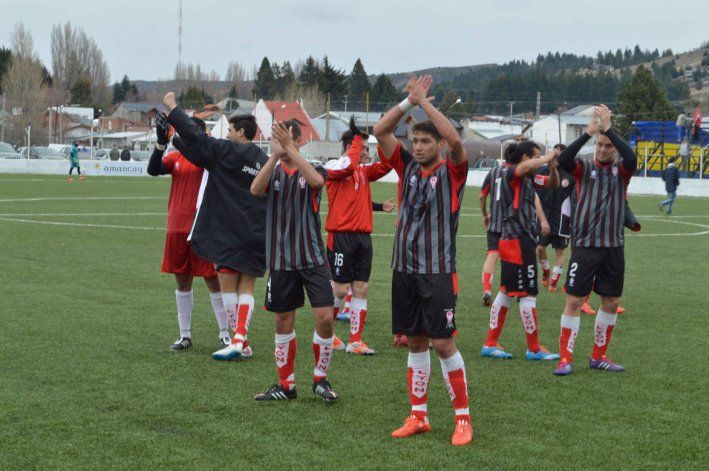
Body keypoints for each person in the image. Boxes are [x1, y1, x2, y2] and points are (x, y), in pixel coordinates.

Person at [374, 75, 472, 446]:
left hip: (437, 272)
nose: (416, 146)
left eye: (424, 140)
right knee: (415, 342)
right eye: (414, 140)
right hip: (404, 270)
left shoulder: (453, 171)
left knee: (443, 344)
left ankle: (462, 419)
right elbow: (381, 131)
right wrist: (407, 105)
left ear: (439, 145)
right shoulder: (406, 167)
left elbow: (458, 142)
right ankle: (419, 415)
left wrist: (426, 104)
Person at [161, 92, 269, 361]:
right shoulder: (264, 161)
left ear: (242, 132)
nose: (228, 134)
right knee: (246, 289)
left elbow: (198, 140)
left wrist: (174, 109)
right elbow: (198, 151)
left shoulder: (227, 151)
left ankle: (237, 339)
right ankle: (241, 339)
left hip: (230, 232)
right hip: (257, 234)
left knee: (229, 288)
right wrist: (173, 139)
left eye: (231, 130)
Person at [250, 120, 338, 403]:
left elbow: (317, 182)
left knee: (325, 319)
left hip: (312, 258)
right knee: (282, 321)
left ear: (299, 141)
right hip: (281, 259)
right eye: (277, 139)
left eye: (287, 139)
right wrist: (275, 154)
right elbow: (254, 189)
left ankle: (320, 378)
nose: (282, 144)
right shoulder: (272, 171)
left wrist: (289, 149)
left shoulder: (312, 168)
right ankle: (286, 385)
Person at [553, 105, 635, 376]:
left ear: (615, 149)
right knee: (574, 302)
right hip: (585, 247)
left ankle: (598, 356)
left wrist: (609, 127)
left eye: (608, 146)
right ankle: (565, 358)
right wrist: (589, 132)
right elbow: (564, 160)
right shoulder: (583, 168)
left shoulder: (622, 173)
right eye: (600, 145)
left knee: (610, 303)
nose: (602, 150)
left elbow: (632, 157)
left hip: (613, 249)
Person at [147, 116, 230, 350]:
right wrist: (160, 143)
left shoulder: (209, 159)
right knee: (182, 281)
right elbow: (153, 169)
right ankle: (185, 335)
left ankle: (225, 333)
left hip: (203, 229)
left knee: (213, 279)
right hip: (177, 227)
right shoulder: (176, 156)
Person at [480, 141, 561, 361]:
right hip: (518, 241)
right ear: (525, 158)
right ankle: (533, 349)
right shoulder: (512, 173)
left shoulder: (527, 178)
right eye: (536, 157)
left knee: (506, 292)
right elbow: (525, 168)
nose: (539, 162)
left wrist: (552, 166)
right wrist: (547, 156)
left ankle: (490, 343)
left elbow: (552, 184)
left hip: (515, 241)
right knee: (528, 294)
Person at [324, 117, 393, 355]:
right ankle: (328, 334)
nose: (366, 153)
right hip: (340, 236)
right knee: (340, 290)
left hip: (363, 238)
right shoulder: (334, 166)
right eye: (363, 148)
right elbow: (348, 165)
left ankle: (355, 341)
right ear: (350, 147)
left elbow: (387, 166)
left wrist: (383, 140)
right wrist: (356, 139)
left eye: (367, 148)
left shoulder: (364, 172)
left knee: (361, 288)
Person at [536, 143, 574, 291]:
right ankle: (546, 271)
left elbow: (575, 198)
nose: (557, 154)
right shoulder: (542, 171)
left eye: (560, 153)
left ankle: (554, 281)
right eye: (555, 151)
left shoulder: (570, 175)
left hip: (562, 219)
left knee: (560, 250)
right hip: (544, 218)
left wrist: (573, 218)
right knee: (539, 248)